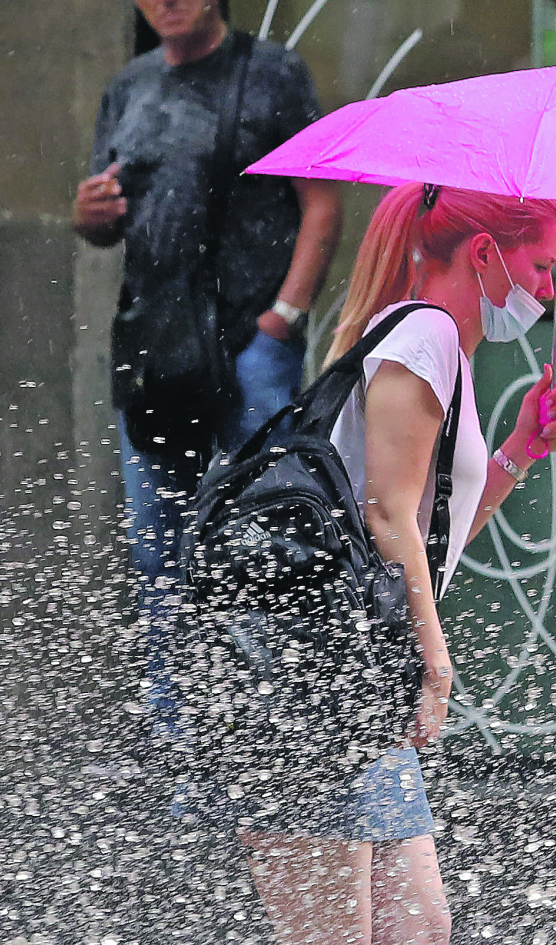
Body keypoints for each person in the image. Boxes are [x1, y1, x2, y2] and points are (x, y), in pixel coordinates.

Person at [239, 183, 556, 945]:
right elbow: (387, 511)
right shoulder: (421, 336)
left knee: (413, 941)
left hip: (353, 684)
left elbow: (429, 527)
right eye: (540, 265)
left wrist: (517, 453)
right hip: (313, 682)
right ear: (485, 254)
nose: (545, 290)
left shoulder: (437, 350)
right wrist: (433, 657)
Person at [73, 0, 341, 745]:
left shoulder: (271, 74)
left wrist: (281, 318)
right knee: (159, 555)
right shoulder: (127, 86)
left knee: (263, 546)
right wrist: (89, 214)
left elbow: (320, 203)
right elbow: (101, 222)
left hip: (249, 347)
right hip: (154, 351)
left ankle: (269, 743)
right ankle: (181, 747)